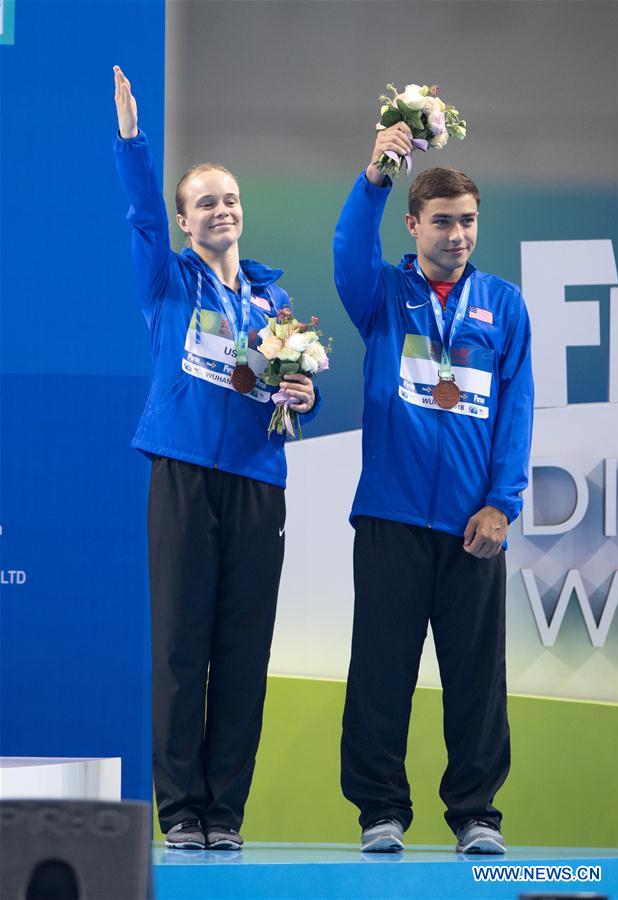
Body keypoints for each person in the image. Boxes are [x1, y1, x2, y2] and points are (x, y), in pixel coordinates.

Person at [112, 66, 320, 851]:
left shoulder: (273, 301)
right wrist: (133, 139)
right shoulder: (168, 282)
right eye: (205, 202)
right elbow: (138, 216)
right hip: (184, 474)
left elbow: (295, 391)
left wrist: (303, 395)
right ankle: (180, 811)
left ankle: (225, 810)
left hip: (259, 484)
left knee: (242, 650)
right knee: (179, 645)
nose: (221, 210)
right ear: (184, 219)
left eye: (229, 199)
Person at [333, 120, 534, 854]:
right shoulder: (383, 295)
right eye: (444, 221)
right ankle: (380, 811)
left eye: (468, 221)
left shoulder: (504, 306)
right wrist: (377, 174)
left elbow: (517, 409)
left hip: (471, 526)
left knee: (477, 679)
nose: (458, 235)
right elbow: (347, 249)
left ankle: (477, 814)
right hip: (390, 517)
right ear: (414, 224)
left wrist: (502, 503)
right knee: (381, 672)